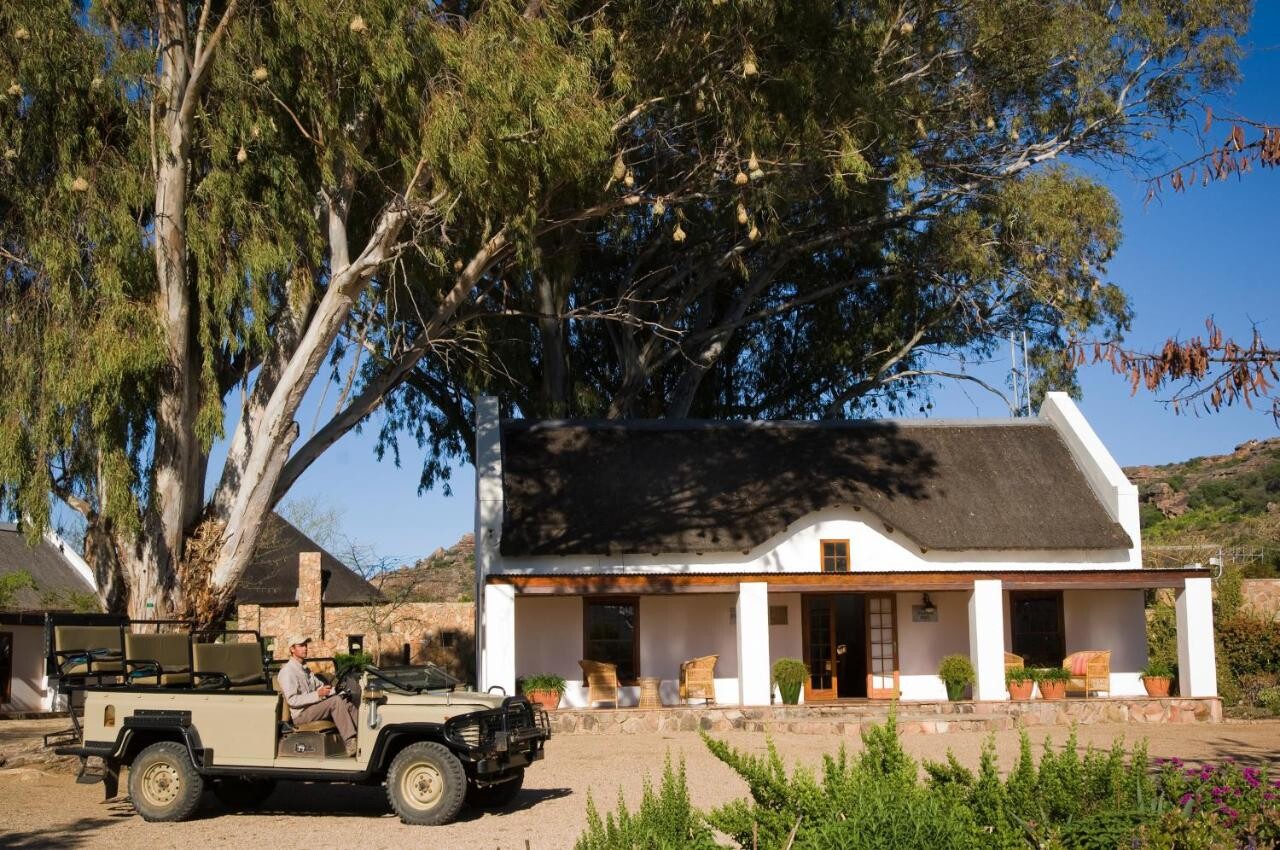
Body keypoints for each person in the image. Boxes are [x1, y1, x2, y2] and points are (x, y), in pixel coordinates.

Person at [278, 635, 358, 757]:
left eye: (305, 645)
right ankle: (350, 741)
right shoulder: (287, 671)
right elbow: (292, 700)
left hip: (314, 708)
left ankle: (365, 736)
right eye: (301, 646)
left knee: (345, 701)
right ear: (292, 649)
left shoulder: (305, 670)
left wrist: (336, 690)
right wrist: (317, 695)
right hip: (301, 714)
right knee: (335, 702)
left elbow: (320, 687)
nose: (305, 648)